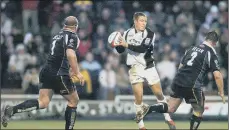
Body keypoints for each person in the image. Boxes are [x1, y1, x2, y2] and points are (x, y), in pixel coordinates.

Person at [1, 16, 85, 130]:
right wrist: (77, 72)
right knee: (74, 100)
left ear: (64, 26)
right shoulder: (72, 36)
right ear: (76, 27)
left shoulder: (57, 36)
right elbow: (70, 54)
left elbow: (60, 56)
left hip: (46, 70)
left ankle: (12, 110)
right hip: (58, 72)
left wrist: (69, 70)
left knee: (43, 102)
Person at [140, 31, 225, 130]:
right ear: (215, 43)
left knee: (171, 108)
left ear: (205, 39)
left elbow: (181, 66)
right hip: (192, 84)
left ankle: (149, 108)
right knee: (198, 110)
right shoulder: (210, 52)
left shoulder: (191, 48)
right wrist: (221, 92)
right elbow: (218, 76)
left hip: (178, 80)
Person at [111, 12, 176, 130]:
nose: (143, 23)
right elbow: (121, 50)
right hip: (135, 68)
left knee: (159, 94)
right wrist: (116, 43)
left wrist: (126, 44)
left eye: (145, 21)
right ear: (135, 21)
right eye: (141, 21)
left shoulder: (150, 34)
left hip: (149, 66)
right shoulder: (126, 33)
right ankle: (141, 126)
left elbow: (142, 48)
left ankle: (168, 118)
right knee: (138, 97)